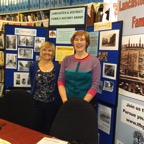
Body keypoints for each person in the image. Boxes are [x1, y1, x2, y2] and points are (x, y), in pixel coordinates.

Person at [58, 30, 101, 104]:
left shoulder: (94, 61)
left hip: (86, 103)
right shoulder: (66, 60)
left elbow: (95, 85)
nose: (79, 42)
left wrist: (82, 104)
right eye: (76, 39)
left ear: (87, 43)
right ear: (73, 42)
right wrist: (65, 100)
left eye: (82, 40)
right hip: (67, 102)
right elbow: (61, 81)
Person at [29, 41, 61, 134]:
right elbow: (32, 82)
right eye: (44, 50)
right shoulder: (33, 66)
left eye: (50, 50)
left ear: (53, 53)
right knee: (36, 128)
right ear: (40, 51)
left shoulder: (57, 67)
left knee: (49, 129)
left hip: (52, 104)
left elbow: (59, 84)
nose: (47, 52)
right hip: (36, 103)